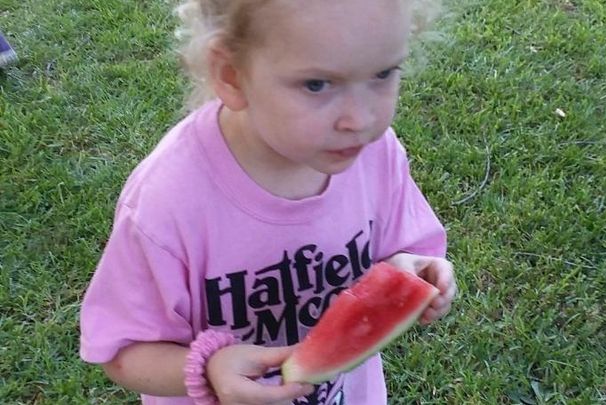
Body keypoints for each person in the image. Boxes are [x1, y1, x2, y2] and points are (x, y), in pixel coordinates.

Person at [79, 0, 457, 404]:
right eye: (317, 85)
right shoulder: (167, 203)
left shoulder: (375, 154)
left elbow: (405, 251)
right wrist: (207, 370)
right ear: (231, 75)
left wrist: (412, 270)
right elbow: (122, 353)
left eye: (382, 74)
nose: (360, 119)